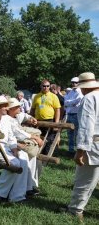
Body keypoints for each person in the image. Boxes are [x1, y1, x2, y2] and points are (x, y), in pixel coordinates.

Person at [63, 72, 99, 221]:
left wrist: (80, 151)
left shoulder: (89, 98)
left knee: (84, 180)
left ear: (84, 87)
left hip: (93, 145)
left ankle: (75, 210)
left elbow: (86, 127)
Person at [7, 98, 43, 196]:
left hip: (18, 142)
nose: (20, 108)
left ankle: (29, 186)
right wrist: (34, 137)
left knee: (32, 156)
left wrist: (31, 118)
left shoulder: (16, 116)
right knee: (27, 156)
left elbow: (25, 115)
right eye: (17, 106)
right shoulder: (7, 119)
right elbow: (17, 133)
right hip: (11, 144)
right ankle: (26, 188)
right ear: (10, 109)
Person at [30, 79, 61, 155]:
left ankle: (47, 156)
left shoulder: (53, 96)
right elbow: (33, 109)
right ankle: (39, 153)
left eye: (47, 86)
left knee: (49, 139)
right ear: (41, 86)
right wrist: (30, 118)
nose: (46, 87)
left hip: (50, 121)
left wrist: (56, 123)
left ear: (49, 86)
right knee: (39, 137)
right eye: (44, 86)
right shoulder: (36, 96)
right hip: (38, 121)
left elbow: (57, 110)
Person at [64, 77, 84, 155]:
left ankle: (78, 151)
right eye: (72, 82)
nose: (74, 84)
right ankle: (71, 150)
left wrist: (69, 103)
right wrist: (71, 103)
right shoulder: (71, 92)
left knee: (78, 134)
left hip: (76, 115)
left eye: (75, 82)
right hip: (69, 114)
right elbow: (66, 102)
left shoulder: (80, 91)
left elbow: (78, 100)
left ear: (79, 83)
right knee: (70, 133)